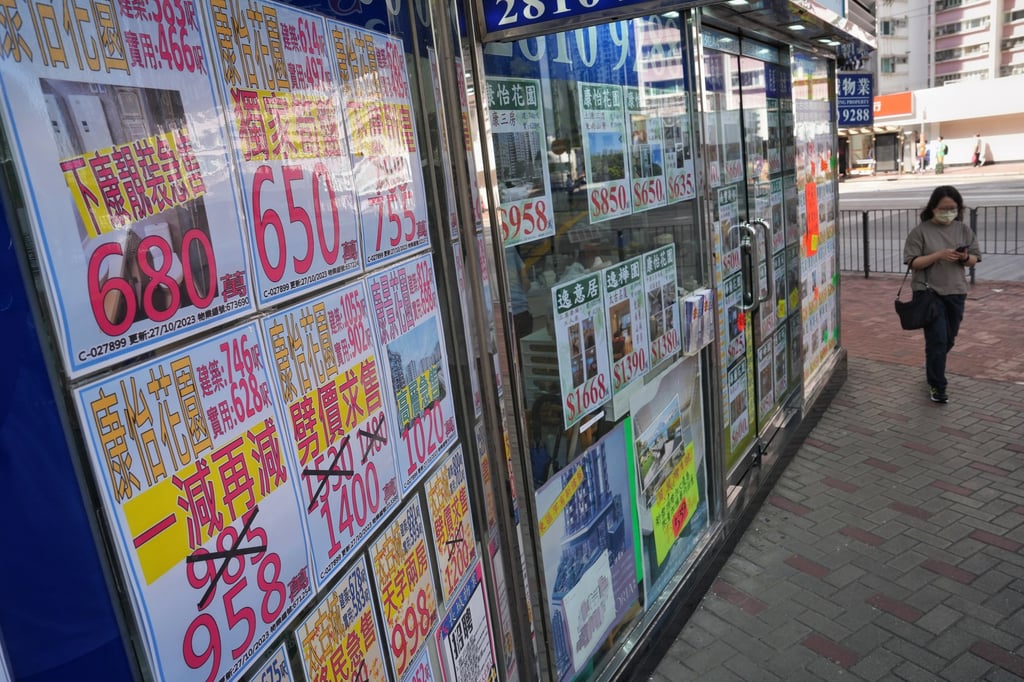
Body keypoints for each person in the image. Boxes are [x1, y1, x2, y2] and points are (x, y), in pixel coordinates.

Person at [902, 186, 981, 403]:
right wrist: (938, 255)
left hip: (956, 291)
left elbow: (974, 259)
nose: (948, 212)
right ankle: (937, 385)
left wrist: (964, 257)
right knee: (937, 339)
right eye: (943, 208)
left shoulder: (963, 229)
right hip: (928, 292)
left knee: (948, 339)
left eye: (953, 208)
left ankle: (933, 365)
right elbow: (913, 262)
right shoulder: (920, 232)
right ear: (933, 208)